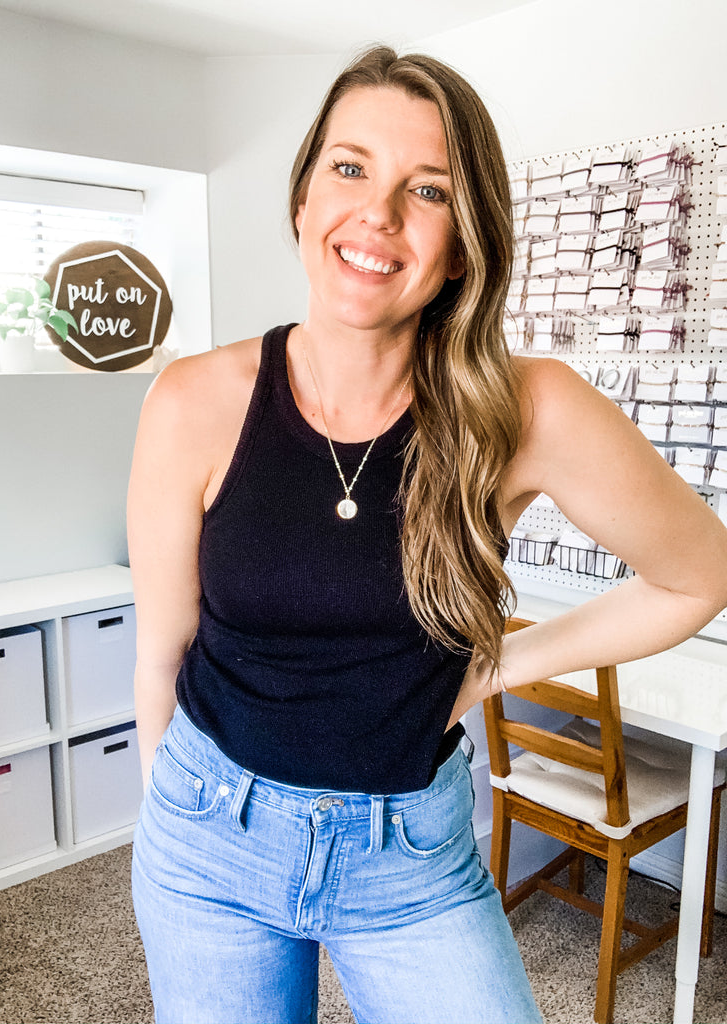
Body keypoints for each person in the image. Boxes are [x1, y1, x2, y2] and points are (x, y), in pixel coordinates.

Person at [127, 45, 727, 1024]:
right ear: (302, 202)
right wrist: (169, 829)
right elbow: (161, 657)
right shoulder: (193, 400)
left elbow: (698, 573)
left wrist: (495, 668)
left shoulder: (527, 409)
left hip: (409, 854)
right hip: (207, 835)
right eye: (350, 166)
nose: (380, 212)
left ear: (464, 238)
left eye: (429, 189)